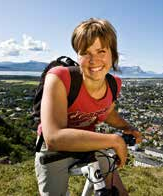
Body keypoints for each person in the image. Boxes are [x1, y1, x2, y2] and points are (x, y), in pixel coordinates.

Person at [35, 18, 142, 196]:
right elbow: (54, 137)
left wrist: (126, 127)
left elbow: (107, 111)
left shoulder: (114, 84)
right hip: (53, 150)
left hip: (88, 144)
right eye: (86, 52)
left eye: (101, 51)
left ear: (113, 55)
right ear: (77, 55)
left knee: (120, 193)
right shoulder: (59, 77)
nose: (94, 60)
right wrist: (114, 140)